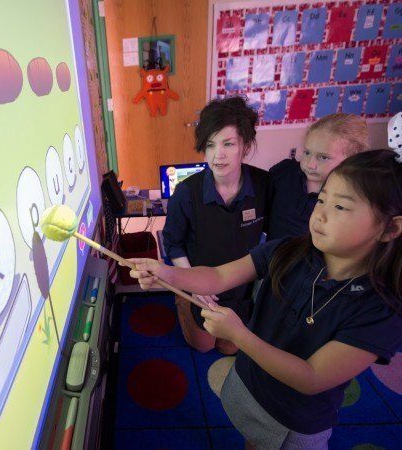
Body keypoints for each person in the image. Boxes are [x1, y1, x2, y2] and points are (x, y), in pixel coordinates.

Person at [128, 150, 402, 449]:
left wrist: (238, 335)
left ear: (390, 228)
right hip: (251, 382)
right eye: (321, 199)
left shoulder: (382, 309)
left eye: (340, 206)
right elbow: (219, 277)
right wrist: (167, 274)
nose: (320, 213)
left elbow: (312, 377)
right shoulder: (289, 250)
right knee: (254, 441)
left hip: (295, 419)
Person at [162, 96, 268, 354]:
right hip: (197, 280)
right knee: (203, 345)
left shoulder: (265, 185)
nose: (217, 155)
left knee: (229, 348)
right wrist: (192, 286)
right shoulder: (186, 193)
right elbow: (173, 243)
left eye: (228, 144)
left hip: (238, 285)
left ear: (245, 145)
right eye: (210, 145)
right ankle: (181, 297)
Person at [267, 113, 368, 240]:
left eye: (323, 157)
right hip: (271, 257)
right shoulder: (283, 173)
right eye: (307, 152)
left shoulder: (354, 195)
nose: (310, 164)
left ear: (352, 159)